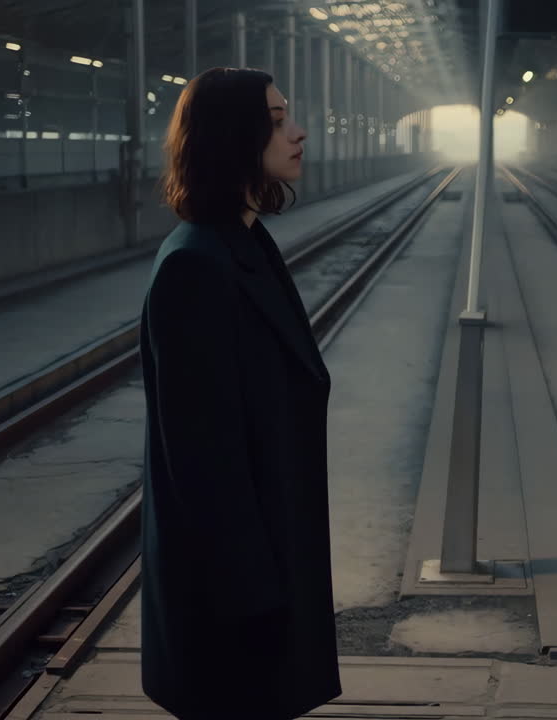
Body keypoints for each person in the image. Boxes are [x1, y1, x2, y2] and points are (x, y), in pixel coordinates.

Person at [138, 67, 340, 720]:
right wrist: (257, 600)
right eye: (278, 122)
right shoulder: (197, 264)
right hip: (235, 601)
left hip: (263, 574)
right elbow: (201, 459)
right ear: (234, 136)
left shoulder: (244, 241)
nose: (298, 133)